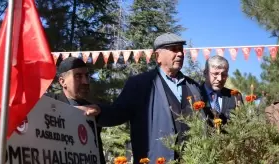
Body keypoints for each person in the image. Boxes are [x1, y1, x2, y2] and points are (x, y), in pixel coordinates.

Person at [79, 32, 204, 163]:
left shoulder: (193, 86)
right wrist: (99, 110)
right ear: (158, 57)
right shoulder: (139, 84)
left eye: (181, 49)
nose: (180, 54)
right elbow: (118, 112)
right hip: (156, 159)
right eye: (174, 49)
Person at [45, 57, 106, 164]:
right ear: (62, 81)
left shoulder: (93, 109)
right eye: (78, 76)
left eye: (87, 76)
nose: (85, 82)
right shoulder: (48, 102)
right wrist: (72, 111)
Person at [200, 55, 243, 126]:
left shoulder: (234, 96)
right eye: (215, 74)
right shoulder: (195, 93)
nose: (220, 78)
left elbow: (242, 122)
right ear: (205, 73)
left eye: (224, 75)